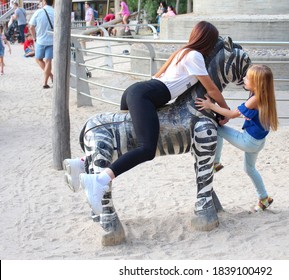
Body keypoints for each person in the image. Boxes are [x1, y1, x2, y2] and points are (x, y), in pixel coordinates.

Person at [73, 21, 230, 215]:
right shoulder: (195, 56)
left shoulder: (182, 52)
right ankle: (99, 181)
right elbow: (212, 88)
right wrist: (225, 110)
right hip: (144, 96)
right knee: (147, 149)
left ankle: (81, 162)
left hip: (138, 91)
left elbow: (159, 77)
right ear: (208, 41)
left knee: (125, 135)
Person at [195, 64, 279, 211]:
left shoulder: (255, 99)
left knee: (218, 129)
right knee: (249, 169)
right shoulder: (265, 96)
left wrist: (210, 105)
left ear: (256, 83)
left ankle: (215, 162)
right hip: (259, 142)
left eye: (247, 78)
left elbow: (233, 114)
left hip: (249, 142)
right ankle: (264, 198)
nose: (244, 79)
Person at [29, 0, 54, 89]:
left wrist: (34, 37)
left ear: (44, 2)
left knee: (38, 59)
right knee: (48, 61)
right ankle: (46, 81)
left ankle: (50, 77)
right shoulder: (55, 12)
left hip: (40, 40)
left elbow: (31, 26)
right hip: (52, 40)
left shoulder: (38, 12)